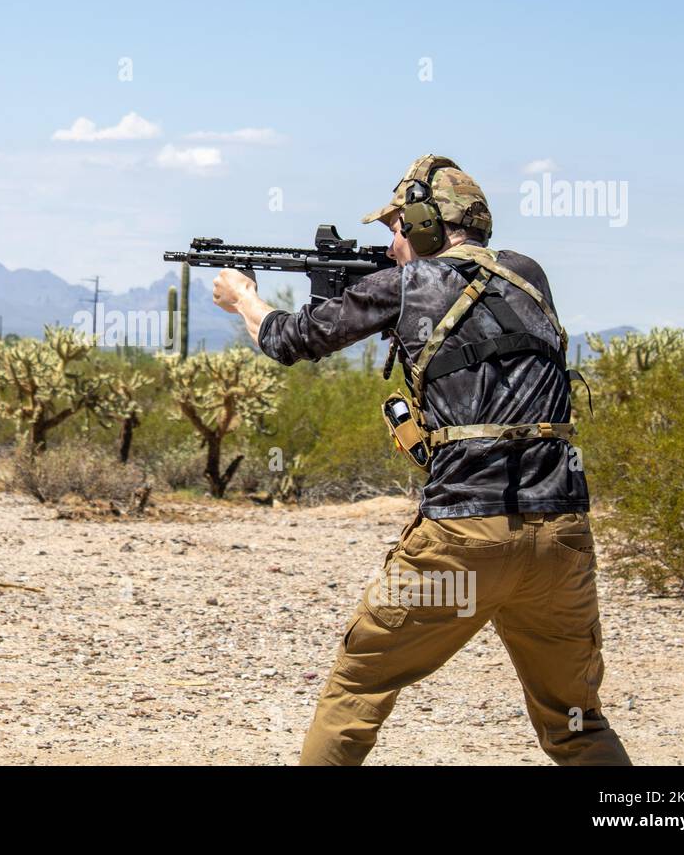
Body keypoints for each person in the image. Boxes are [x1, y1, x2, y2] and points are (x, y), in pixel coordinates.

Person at [211, 154, 631, 766]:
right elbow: (471, 327)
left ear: (424, 225)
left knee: (358, 687)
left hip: (461, 537)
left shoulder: (409, 285)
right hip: (560, 537)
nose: (392, 245)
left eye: (397, 230)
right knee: (576, 724)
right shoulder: (529, 275)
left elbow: (287, 339)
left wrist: (245, 299)